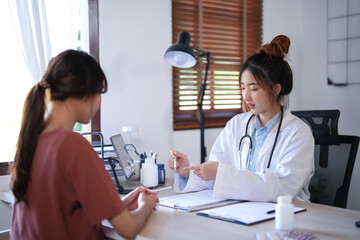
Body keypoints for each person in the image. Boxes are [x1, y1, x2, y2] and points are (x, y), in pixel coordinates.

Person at [10, 50, 158, 240]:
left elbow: (63, 206)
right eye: (100, 92)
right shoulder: (73, 145)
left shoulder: (32, 141)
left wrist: (117, 204)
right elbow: (128, 229)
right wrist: (146, 205)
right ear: (84, 93)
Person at [168, 35, 315, 202]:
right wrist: (188, 170)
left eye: (254, 88)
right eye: (242, 87)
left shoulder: (298, 133)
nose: (246, 96)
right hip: (243, 213)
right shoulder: (237, 124)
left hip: (288, 216)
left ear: (276, 89)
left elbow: (282, 188)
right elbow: (216, 174)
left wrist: (221, 173)